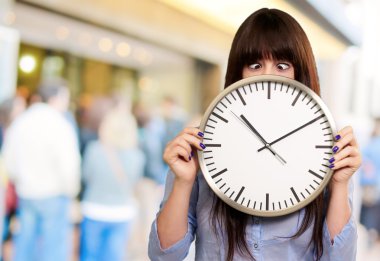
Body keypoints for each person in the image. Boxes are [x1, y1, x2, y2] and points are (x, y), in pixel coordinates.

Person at [148, 8, 362, 261]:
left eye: (282, 65)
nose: (268, 76)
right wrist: (183, 181)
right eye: (255, 65)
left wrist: (339, 185)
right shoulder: (206, 144)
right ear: (238, 72)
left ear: (300, 73)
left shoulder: (325, 146)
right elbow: (164, 256)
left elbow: (340, 259)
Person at [2, 79, 81, 261]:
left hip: (27, 193)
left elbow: (9, 160)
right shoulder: (60, 124)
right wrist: (72, 191)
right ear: (57, 97)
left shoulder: (21, 121)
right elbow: (69, 165)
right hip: (54, 195)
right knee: (53, 250)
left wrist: (21, 180)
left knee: (24, 245)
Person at [80, 98, 145, 261]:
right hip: (121, 212)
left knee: (89, 256)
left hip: (94, 209)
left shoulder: (94, 150)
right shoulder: (137, 156)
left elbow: (86, 176)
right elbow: (134, 182)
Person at [360, 118, 380, 240]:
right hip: (371, 184)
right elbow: (364, 162)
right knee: (371, 210)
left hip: (373, 183)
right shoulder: (371, 143)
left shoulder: (372, 143)